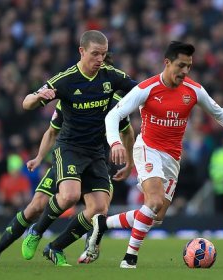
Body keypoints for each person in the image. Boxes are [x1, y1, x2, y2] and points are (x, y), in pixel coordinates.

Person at [87, 41, 223, 268]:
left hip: (172, 157)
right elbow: (112, 116)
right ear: (167, 63)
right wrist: (115, 143)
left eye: (189, 66)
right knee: (154, 200)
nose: (185, 71)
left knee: (156, 216)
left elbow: (219, 114)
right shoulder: (147, 89)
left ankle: (103, 224)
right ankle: (130, 258)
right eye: (181, 65)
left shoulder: (194, 90)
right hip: (148, 149)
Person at [21, 30, 137, 266]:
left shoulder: (111, 76)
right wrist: (38, 96)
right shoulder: (65, 80)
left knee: (99, 208)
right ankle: (36, 231)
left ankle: (55, 247)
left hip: (96, 152)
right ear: (82, 51)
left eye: (103, 54)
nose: (100, 59)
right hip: (70, 147)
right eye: (95, 54)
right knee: (71, 196)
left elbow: (141, 91)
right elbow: (27, 103)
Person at [0, 92, 133, 263]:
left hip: (95, 162)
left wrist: (129, 162)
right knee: (36, 207)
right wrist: (39, 157)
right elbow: (52, 131)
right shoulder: (72, 95)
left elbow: (128, 132)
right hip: (68, 158)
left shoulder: (118, 104)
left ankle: (55, 247)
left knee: (98, 209)